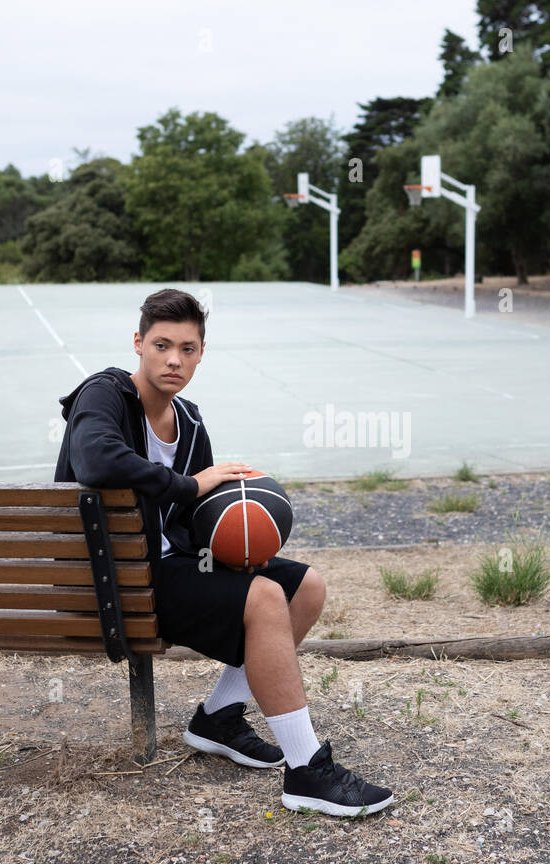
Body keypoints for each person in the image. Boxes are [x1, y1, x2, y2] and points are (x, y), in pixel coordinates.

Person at [54, 288, 393, 817]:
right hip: (114, 579)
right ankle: (307, 770)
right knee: (261, 599)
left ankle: (218, 717)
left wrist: (234, 547)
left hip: (168, 570)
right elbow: (97, 460)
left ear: (201, 353)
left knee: (303, 587)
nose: (173, 360)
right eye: (162, 345)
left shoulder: (188, 421)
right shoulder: (104, 394)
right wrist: (191, 486)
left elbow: (195, 518)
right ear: (138, 343)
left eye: (187, 349)